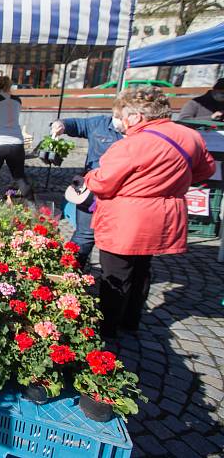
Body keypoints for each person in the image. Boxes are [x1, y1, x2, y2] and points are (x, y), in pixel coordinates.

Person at [85, 87, 215, 338]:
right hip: (164, 216)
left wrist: (89, 177)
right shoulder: (191, 136)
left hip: (127, 220)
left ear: (135, 116)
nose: (119, 121)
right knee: (142, 270)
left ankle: (106, 329)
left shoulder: (133, 144)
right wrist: (172, 183)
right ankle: (131, 320)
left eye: (121, 115)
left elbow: (103, 181)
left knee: (115, 275)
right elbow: (205, 170)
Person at [50, 114, 124, 267]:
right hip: (92, 190)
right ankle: (68, 273)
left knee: (117, 240)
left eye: (121, 116)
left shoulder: (139, 135)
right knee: (84, 235)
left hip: (122, 196)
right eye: (116, 115)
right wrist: (61, 124)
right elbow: (77, 124)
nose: (118, 119)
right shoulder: (100, 123)